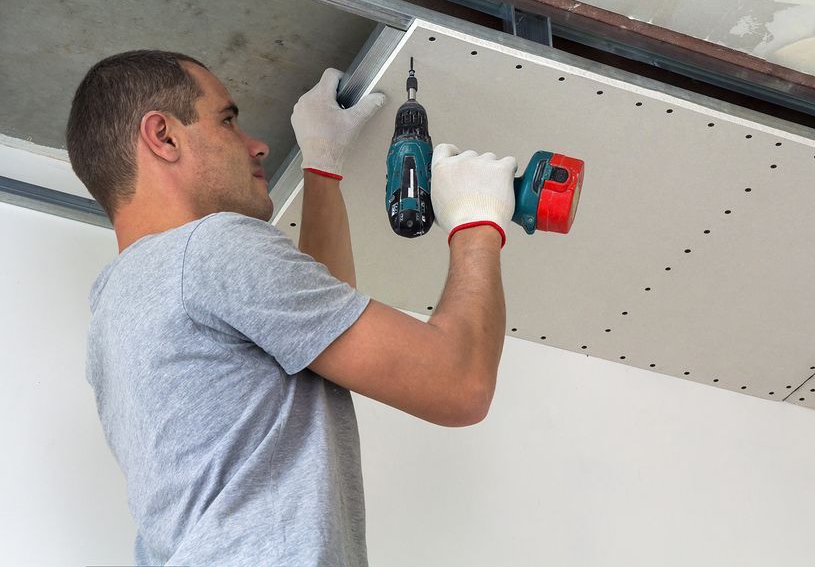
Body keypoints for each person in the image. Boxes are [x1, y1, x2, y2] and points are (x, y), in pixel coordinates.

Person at [65, 49, 517, 566]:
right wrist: (477, 222)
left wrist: (322, 165)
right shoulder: (211, 248)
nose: (257, 145)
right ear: (163, 136)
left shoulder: (118, 305)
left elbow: (314, 330)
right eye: (228, 120)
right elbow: (459, 385)